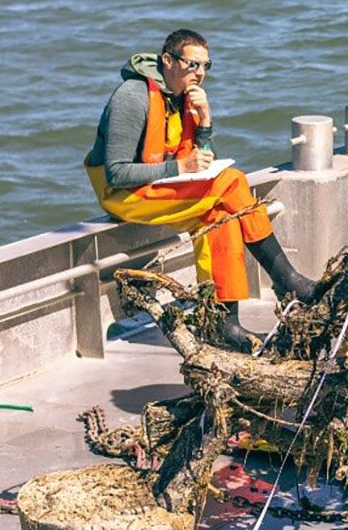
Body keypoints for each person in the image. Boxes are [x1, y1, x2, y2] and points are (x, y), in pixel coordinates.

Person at [85, 29, 317, 352]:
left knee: (220, 214)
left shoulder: (186, 98)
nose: (201, 74)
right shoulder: (132, 96)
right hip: (125, 195)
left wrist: (205, 121)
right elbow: (116, 173)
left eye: (206, 66)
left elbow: (204, 162)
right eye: (193, 65)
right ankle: (288, 280)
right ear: (168, 60)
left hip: (163, 187)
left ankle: (223, 321)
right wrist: (179, 168)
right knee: (233, 181)